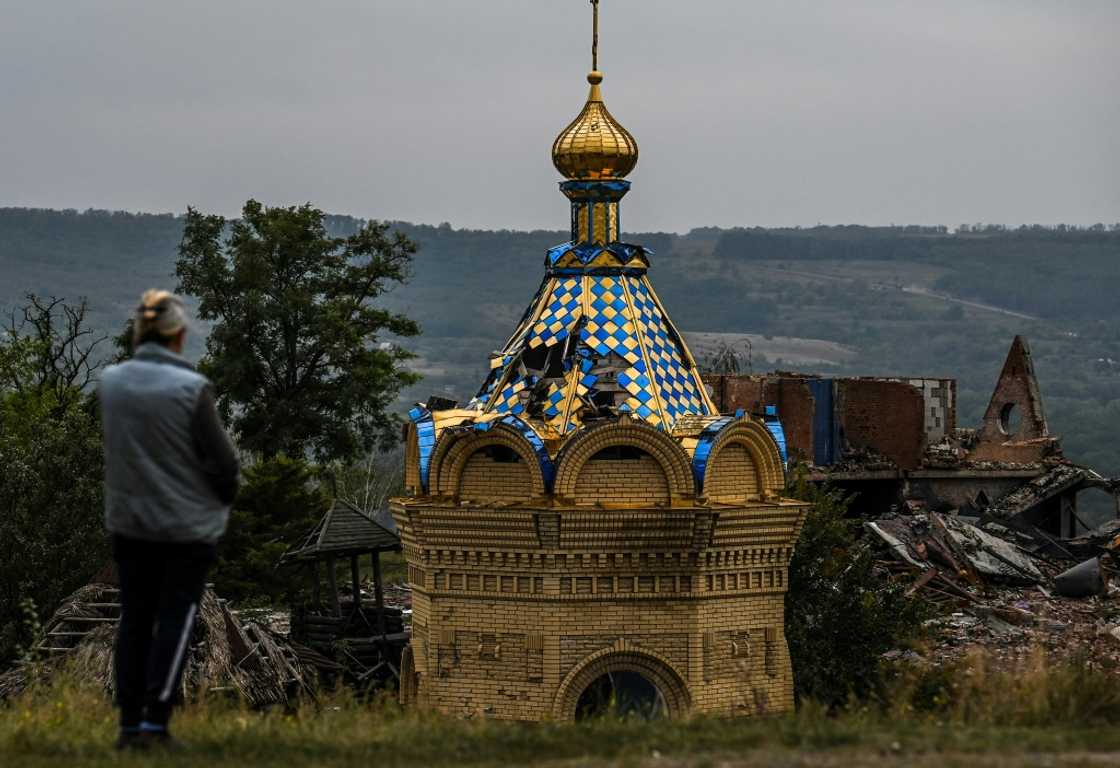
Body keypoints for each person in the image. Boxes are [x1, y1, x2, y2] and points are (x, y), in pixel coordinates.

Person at [99, 290, 239, 750]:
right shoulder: (191, 389)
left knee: (134, 620)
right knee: (175, 620)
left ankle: (127, 725)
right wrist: (219, 503)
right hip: (184, 528)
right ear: (178, 335)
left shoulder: (111, 383)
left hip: (129, 523)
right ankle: (155, 723)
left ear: (139, 333)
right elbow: (224, 464)